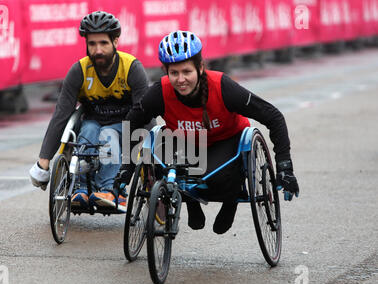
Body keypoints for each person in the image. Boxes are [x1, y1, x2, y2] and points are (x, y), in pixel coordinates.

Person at [116, 30, 299, 234]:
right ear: (165, 71)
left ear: (200, 67)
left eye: (187, 72)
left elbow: (273, 116)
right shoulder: (160, 91)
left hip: (226, 139)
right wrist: (126, 168)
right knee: (162, 165)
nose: (180, 79)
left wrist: (285, 167)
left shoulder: (222, 87)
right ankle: (191, 202)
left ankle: (230, 202)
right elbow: (132, 122)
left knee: (212, 178)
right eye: (174, 73)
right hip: (185, 142)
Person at [29, 11, 149, 209]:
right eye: (92, 44)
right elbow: (62, 114)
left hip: (127, 124)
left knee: (107, 133)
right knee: (88, 131)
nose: (97, 50)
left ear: (115, 42)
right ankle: (80, 188)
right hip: (93, 121)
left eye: (103, 43)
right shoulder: (79, 71)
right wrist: (44, 161)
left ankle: (110, 189)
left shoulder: (131, 68)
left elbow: (144, 111)